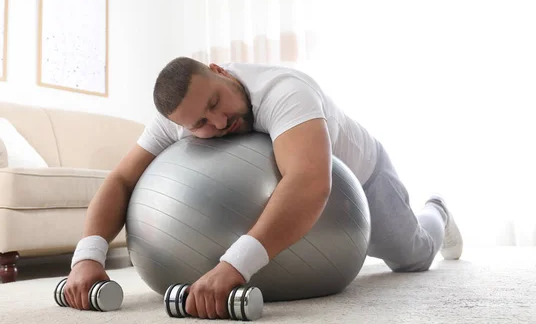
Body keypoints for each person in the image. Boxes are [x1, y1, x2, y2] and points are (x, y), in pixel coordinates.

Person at [63, 57, 463, 318]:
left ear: (218, 70)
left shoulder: (284, 92)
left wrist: (234, 266)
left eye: (217, 103)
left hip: (363, 179)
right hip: (305, 207)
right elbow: (121, 180)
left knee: (413, 257)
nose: (217, 123)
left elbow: (308, 183)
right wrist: (87, 256)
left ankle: (437, 210)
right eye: (199, 124)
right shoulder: (178, 118)